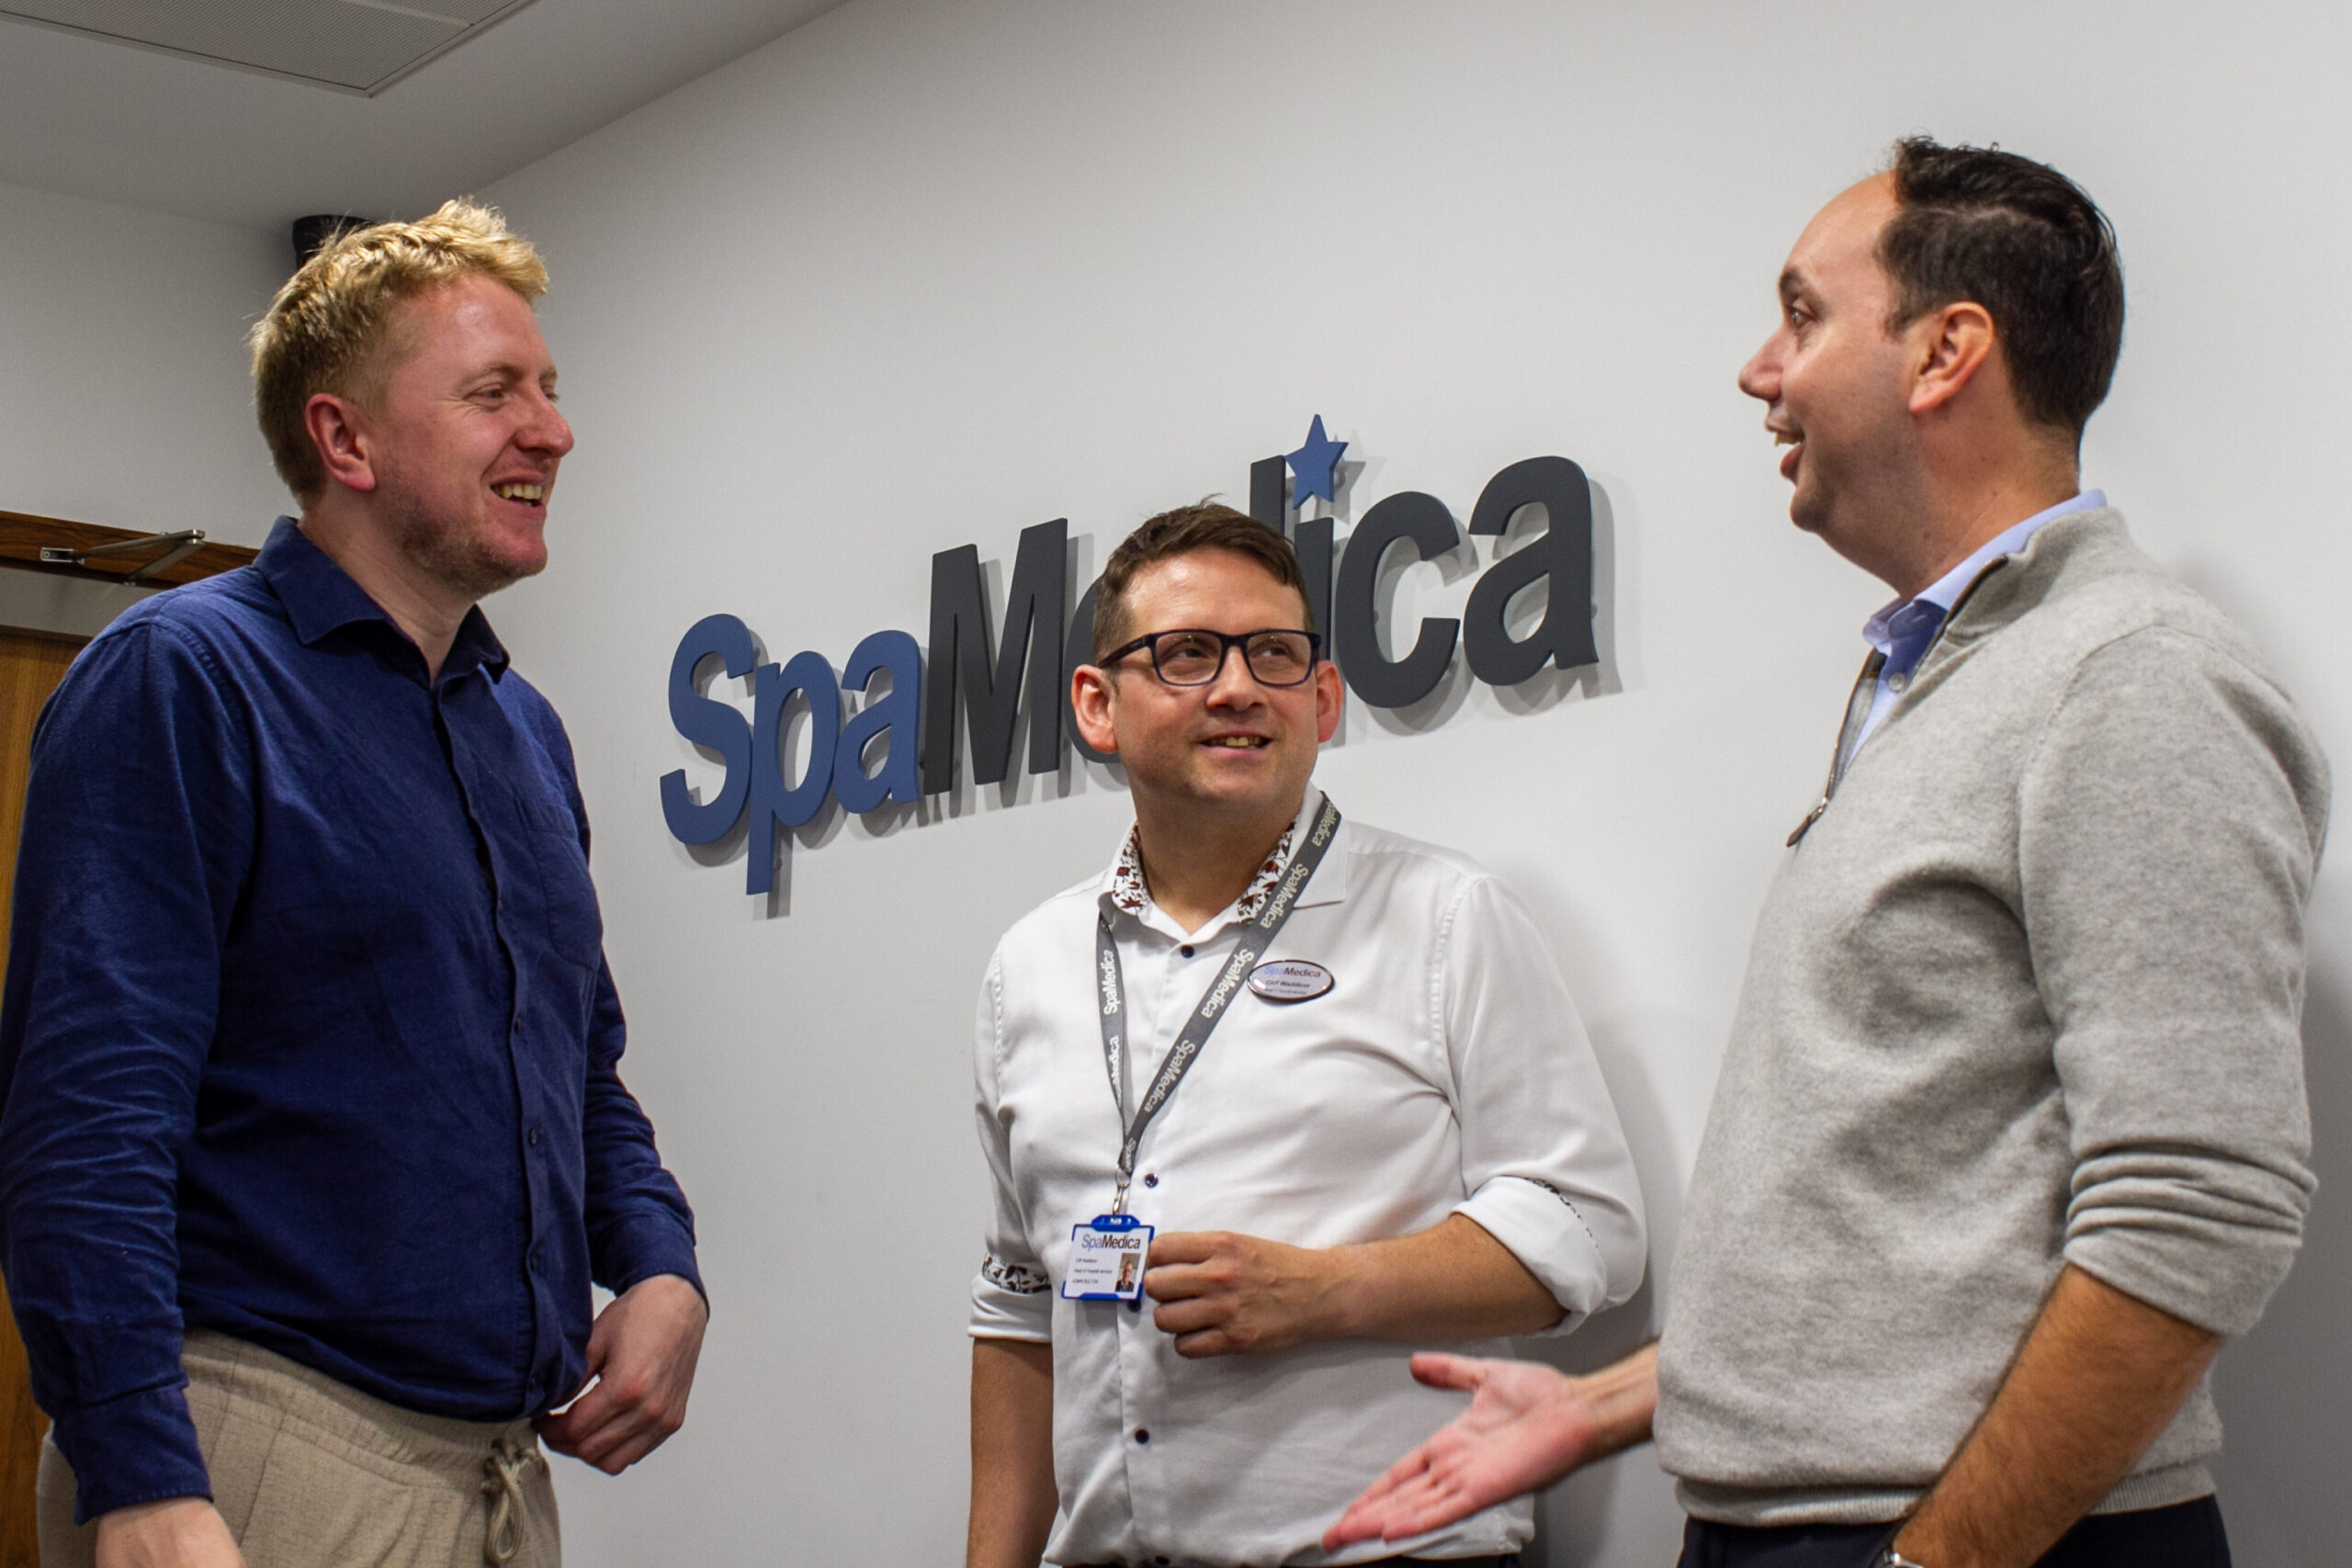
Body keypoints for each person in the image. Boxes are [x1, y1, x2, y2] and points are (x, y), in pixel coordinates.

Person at [1328, 138, 2328, 1568]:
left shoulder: (2131, 678)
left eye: (1802, 315)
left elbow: (2200, 1203)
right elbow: (1914, 1217)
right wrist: (1606, 1402)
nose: (1759, 370)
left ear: (1945, 352)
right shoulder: (1935, 681)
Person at [1, 200, 709, 1568]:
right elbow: (83, 1115)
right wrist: (139, 1470)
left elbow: (576, 1071)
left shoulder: (521, 730)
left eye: (551, 391)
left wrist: (664, 1260)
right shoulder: (184, 677)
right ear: (344, 440)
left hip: (498, 1464)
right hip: (262, 1448)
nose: (552, 432)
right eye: (494, 392)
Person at [964, 503, 1647, 1568]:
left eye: (1273, 655)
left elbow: (1589, 1227)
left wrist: (1326, 1291)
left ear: (1321, 700)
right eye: (1187, 654)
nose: (1238, 687)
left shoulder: (1447, 917)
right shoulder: (1030, 964)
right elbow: (1017, 1305)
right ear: (1097, 706)